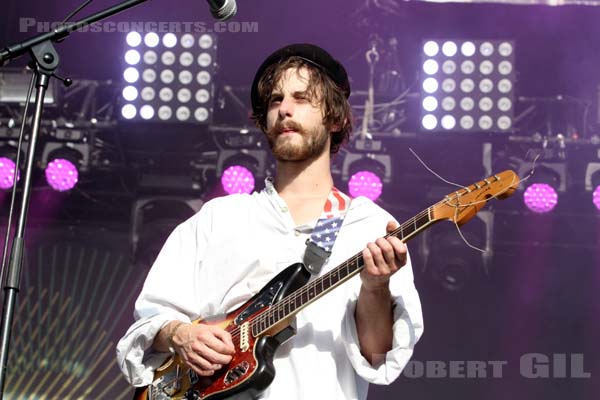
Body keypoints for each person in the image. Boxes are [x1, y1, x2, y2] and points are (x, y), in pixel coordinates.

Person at [116, 43, 423, 400]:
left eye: (302, 98)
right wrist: (178, 334)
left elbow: (378, 356)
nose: (285, 110)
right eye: (275, 100)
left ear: (336, 118)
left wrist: (375, 288)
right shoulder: (218, 217)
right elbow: (150, 318)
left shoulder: (371, 227)